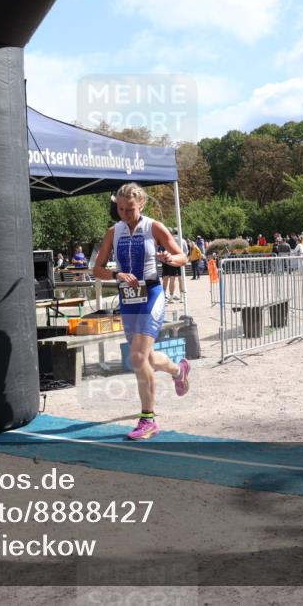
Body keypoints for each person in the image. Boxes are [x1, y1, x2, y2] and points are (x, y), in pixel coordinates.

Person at [92, 183, 191, 441]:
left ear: (142, 205)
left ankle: (148, 420)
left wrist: (170, 259)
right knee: (144, 358)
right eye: (120, 209)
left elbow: (183, 257)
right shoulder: (113, 232)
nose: (124, 214)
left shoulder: (153, 227)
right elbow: (97, 269)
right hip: (128, 298)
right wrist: (116, 274)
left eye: (130, 209)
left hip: (152, 294)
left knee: (137, 357)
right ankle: (178, 370)